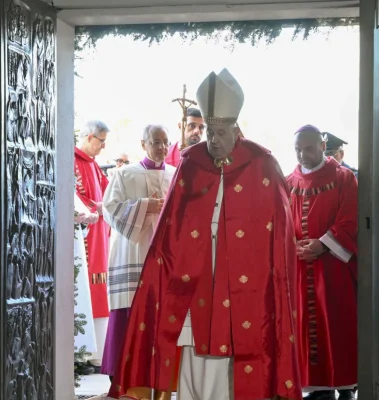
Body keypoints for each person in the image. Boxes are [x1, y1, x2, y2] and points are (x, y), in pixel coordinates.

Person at [108, 68, 301, 400]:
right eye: (209, 131)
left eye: (220, 131)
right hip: (194, 280)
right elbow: (171, 230)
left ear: (237, 131)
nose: (212, 139)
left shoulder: (263, 165)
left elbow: (279, 235)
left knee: (241, 358)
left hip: (246, 285)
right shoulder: (191, 162)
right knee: (191, 356)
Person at [100, 124, 177, 381]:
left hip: (165, 253)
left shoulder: (176, 174)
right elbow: (109, 209)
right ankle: (122, 374)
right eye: (156, 142)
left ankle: (159, 374)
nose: (162, 148)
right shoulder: (124, 174)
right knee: (129, 308)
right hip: (133, 251)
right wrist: (145, 206)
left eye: (165, 142)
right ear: (143, 144)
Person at [287, 125, 359, 400]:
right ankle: (315, 388)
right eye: (297, 150)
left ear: (322, 145)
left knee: (336, 326)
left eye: (307, 148)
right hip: (299, 266)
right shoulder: (287, 181)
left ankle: (343, 385)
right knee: (303, 329)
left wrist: (322, 244)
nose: (302, 155)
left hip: (332, 269)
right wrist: (292, 245)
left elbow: (350, 219)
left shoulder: (343, 179)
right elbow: (280, 223)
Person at [75, 119, 112, 366]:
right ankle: (82, 353)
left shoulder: (94, 165)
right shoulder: (72, 162)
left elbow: (108, 192)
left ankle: (96, 354)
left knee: (99, 292)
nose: (103, 147)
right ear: (89, 137)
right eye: (101, 141)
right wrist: (95, 207)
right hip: (84, 237)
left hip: (99, 236)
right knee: (85, 291)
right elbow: (74, 195)